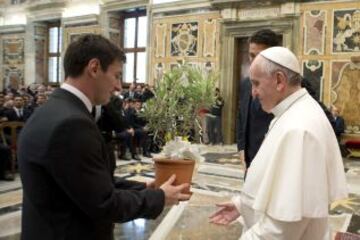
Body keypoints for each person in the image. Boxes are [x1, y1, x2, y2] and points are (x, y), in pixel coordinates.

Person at [18, 34, 190, 240]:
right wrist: (159, 198)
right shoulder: (71, 124)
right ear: (94, 68)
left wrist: (143, 187)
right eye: (117, 75)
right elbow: (104, 203)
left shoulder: (53, 109)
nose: (119, 86)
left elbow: (86, 183)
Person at [210, 47, 348, 239]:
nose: (253, 93)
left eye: (256, 84)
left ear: (279, 80)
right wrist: (242, 206)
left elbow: (282, 228)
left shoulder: (299, 129)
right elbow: (277, 181)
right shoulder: (291, 112)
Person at [236, 29, 278, 176]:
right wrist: (241, 149)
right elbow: (242, 117)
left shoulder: (290, 83)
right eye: (251, 55)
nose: (254, 61)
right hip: (250, 165)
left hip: (274, 165)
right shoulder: (246, 83)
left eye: (260, 56)